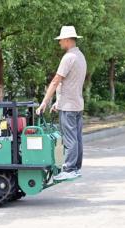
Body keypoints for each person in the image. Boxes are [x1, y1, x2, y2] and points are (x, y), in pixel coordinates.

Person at [36, 25, 87, 181]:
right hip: (76, 104)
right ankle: (76, 168)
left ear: (66, 40)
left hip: (69, 107)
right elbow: (69, 83)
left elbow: (56, 80)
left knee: (70, 139)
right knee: (77, 138)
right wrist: (58, 101)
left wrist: (44, 102)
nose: (59, 43)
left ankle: (70, 168)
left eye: (60, 41)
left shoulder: (68, 57)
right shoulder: (80, 56)